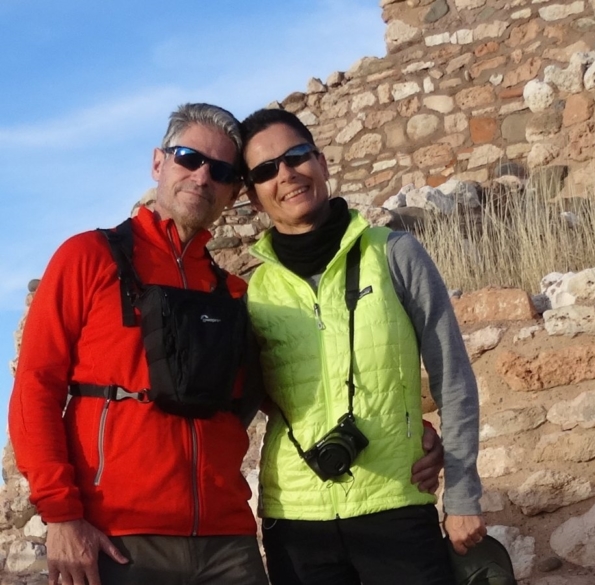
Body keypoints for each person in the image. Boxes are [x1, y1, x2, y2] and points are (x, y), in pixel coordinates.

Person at [9, 103, 444, 585]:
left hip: (227, 546)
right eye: (188, 158)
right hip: (120, 538)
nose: (202, 176)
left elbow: (287, 394)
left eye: (219, 170)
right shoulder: (87, 259)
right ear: (158, 163)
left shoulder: (234, 293)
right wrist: (62, 514)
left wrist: (405, 428)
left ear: (235, 193)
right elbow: (36, 386)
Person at [240, 107, 485, 585]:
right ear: (252, 197)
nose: (286, 174)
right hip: (295, 522)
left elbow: (451, 375)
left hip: (394, 504)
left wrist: (461, 494)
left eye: (296, 157)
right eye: (266, 171)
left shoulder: (394, 253)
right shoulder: (252, 293)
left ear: (323, 162)